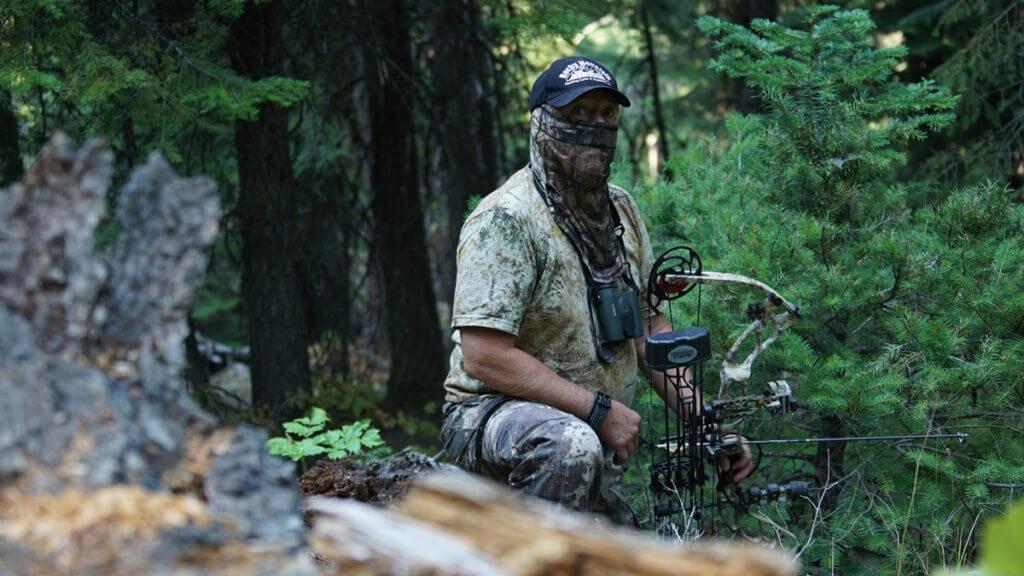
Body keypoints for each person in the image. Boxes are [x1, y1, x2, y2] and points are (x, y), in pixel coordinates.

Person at [440, 56, 753, 525]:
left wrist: (705, 424)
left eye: (606, 113)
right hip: (488, 416)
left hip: (584, 427)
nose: (595, 125)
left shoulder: (621, 211)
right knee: (570, 446)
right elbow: (484, 356)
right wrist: (599, 411)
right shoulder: (506, 220)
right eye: (578, 113)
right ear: (543, 120)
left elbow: (650, 327)